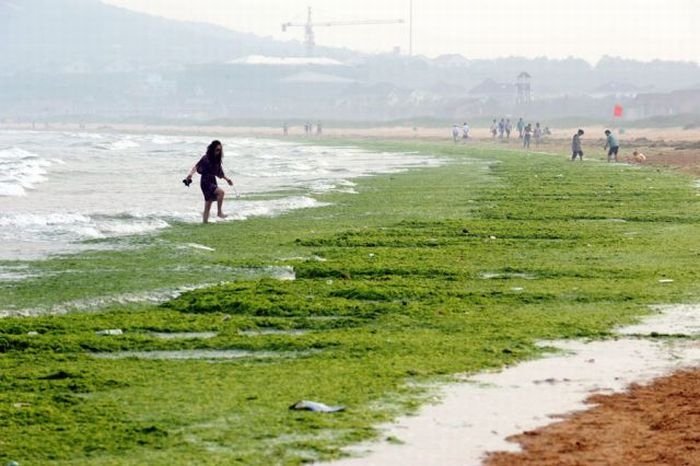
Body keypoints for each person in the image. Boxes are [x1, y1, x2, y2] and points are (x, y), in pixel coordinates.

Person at [184, 140, 234, 224]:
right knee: (221, 192)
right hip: (205, 181)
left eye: (220, 150)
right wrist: (190, 175)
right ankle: (219, 213)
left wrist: (228, 180)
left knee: (208, 203)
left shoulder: (217, 160)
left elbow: (220, 173)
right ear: (212, 149)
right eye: (217, 150)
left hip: (212, 180)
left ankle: (205, 222)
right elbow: (196, 167)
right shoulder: (205, 158)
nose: (218, 152)